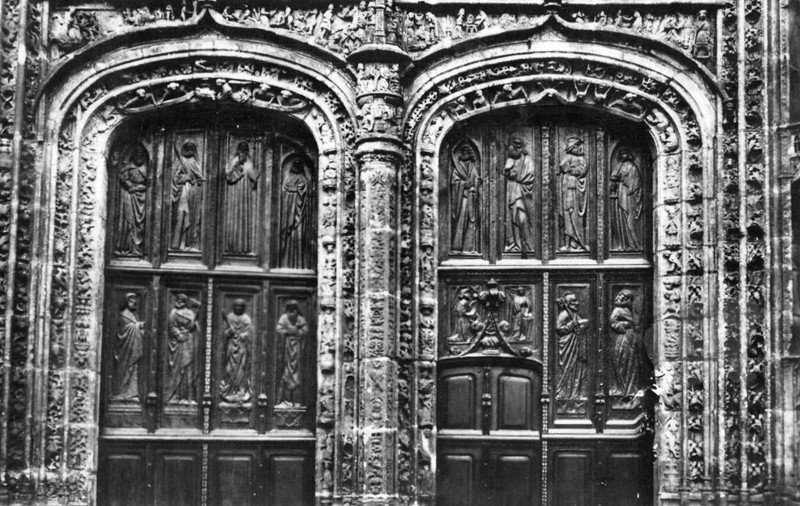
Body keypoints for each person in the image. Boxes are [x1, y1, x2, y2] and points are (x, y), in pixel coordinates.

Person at [224, 142, 259, 255]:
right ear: (238, 151)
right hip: (235, 194)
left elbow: (253, 176)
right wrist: (237, 167)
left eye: (245, 151)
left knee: (244, 218)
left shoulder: (249, 163)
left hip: (245, 196)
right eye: (241, 151)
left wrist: (254, 173)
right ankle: (231, 246)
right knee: (234, 218)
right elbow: (228, 176)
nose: (243, 153)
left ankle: (244, 247)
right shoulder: (234, 161)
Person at [609, 289, 645, 397]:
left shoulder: (631, 310)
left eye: (625, 297)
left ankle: (631, 389)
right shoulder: (618, 310)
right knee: (622, 362)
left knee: (632, 362)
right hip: (624, 338)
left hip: (632, 338)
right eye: (621, 296)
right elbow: (612, 322)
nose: (622, 298)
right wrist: (625, 324)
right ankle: (622, 388)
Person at [503, 136, 536, 254]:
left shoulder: (527, 160)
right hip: (512, 191)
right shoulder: (510, 159)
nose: (516, 147)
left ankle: (526, 244)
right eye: (514, 144)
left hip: (522, 193)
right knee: (512, 217)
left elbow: (530, 175)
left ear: (522, 147)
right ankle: (514, 244)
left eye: (519, 145)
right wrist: (508, 170)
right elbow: (505, 173)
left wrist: (516, 176)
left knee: (522, 218)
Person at [165, 293, 199, 403]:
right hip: (178, 344)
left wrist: (192, 326)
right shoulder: (173, 312)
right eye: (178, 299)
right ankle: (176, 395)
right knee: (178, 369)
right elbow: (171, 327)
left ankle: (189, 397)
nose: (179, 301)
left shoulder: (190, 313)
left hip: (189, 343)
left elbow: (193, 326)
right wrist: (179, 335)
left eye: (182, 300)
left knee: (189, 369)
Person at [171, 141, 205, 251]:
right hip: (183, 193)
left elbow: (200, 178)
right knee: (182, 216)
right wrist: (185, 178)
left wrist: (196, 181)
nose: (190, 151)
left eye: (192, 149)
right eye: (188, 148)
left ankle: (188, 242)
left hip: (193, 194)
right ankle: (178, 243)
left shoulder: (194, 162)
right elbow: (174, 178)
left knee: (191, 218)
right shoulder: (180, 161)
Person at [115, 145, 149, 256]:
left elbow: (149, 184)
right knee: (128, 221)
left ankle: (138, 248)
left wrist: (139, 188)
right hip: (130, 196)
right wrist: (130, 186)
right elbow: (123, 178)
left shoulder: (146, 169)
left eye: (141, 154)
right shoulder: (128, 167)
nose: (139, 156)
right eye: (137, 154)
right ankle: (126, 248)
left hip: (142, 199)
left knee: (140, 225)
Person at [555, 292, 589, 400]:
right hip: (568, 346)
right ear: (567, 303)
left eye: (576, 300)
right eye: (573, 301)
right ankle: (565, 394)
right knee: (568, 369)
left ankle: (576, 393)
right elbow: (559, 329)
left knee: (578, 368)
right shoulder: (564, 314)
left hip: (577, 345)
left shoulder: (574, 314)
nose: (577, 303)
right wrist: (573, 325)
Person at [558, 137, 588, 251]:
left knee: (575, 216)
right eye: (576, 146)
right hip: (567, 191)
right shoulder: (568, 157)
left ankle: (578, 243)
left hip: (577, 192)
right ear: (571, 147)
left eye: (579, 146)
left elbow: (582, 171)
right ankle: (567, 244)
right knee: (568, 216)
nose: (579, 148)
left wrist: (574, 170)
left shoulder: (582, 159)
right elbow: (562, 167)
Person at [112, 293, 144, 401]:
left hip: (134, 347)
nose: (134, 302)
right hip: (125, 350)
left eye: (135, 300)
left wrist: (138, 326)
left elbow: (134, 326)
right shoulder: (123, 314)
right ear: (126, 301)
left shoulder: (134, 314)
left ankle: (132, 393)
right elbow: (125, 330)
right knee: (127, 369)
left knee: (134, 370)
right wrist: (138, 326)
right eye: (131, 300)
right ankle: (123, 392)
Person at [610, 147, 643, 250]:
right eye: (620, 154)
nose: (621, 156)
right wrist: (614, 181)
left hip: (628, 197)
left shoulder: (632, 167)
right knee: (620, 219)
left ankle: (634, 245)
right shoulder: (619, 166)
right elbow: (613, 178)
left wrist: (622, 179)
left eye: (623, 153)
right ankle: (622, 244)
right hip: (620, 195)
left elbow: (635, 183)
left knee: (629, 220)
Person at [276, 300, 308, 406]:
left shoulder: (300, 319)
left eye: (294, 308)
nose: (292, 311)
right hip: (286, 349)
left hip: (297, 349)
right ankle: (286, 400)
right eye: (290, 308)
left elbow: (305, 330)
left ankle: (296, 400)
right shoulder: (284, 318)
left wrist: (298, 332)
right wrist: (287, 332)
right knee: (286, 373)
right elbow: (279, 329)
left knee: (297, 374)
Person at [451, 143, 481, 252]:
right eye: (464, 152)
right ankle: (457, 247)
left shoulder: (473, 167)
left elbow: (477, 178)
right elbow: (454, 182)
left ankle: (469, 247)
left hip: (472, 197)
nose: (466, 154)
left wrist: (476, 184)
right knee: (461, 220)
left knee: (471, 221)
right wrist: (463, 184)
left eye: (468, 152)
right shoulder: (458, 167)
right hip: (463, 197)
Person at [220, 299, 252, 403]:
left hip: (242, 348)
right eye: (236, 306)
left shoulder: (246, 319)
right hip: (231, 348)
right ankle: (230, 391)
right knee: (229, 368)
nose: (238, 308)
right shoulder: (229, 318)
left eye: (240, 306)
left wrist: (244, 335)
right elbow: (224, 333)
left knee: (241, 369)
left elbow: (250, 333)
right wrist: (229, 331)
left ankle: (240, 391)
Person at [280, 159, 310, 268]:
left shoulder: (303, 179)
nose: (296, 167)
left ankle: (298, 264)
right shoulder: (288, 178)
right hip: (287, 212)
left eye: (298, 165)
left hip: (298, 215)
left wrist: (293, 191)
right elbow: (284, 191)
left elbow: (303, 193)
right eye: (295, 164)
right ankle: (284, 262)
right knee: (287, 237)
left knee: (297, 235)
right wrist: (290, 191)